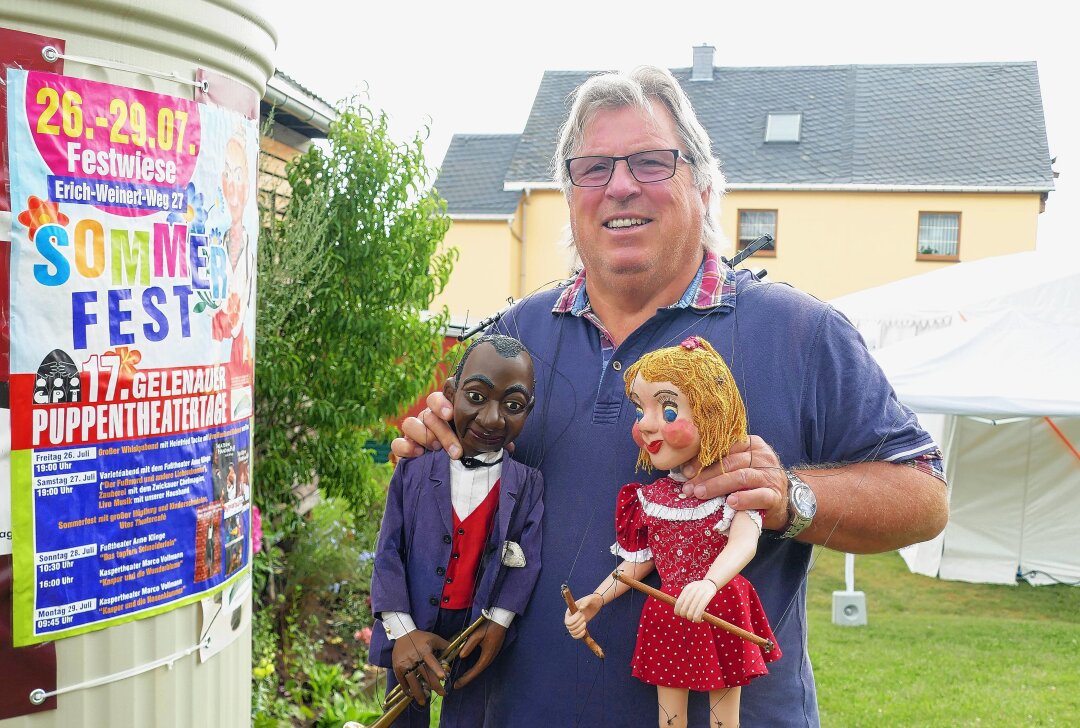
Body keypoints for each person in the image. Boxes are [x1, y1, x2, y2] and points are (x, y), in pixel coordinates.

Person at [393, 66, 948, 726]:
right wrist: (436, 455)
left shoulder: (797, 332)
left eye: (652, 162)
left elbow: (924, 495)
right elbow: (459, 508)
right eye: (593, 168)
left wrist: (790, 496)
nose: (620, 184)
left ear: (704, 186)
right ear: (571, 197)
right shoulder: (515, 336)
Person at [565, 336, 780, 728]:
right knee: (670, 720)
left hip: (722, 605)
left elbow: (744, 542)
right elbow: (640, 561)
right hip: (668, 611)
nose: (645, 424)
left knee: (723, 720)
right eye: (639, 408)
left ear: (711, 412)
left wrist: (710, 583)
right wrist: (597, 599)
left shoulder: (736, 490)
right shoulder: (651, 497)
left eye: (666, 410)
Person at [370, 334, 544, 727]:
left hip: (474, 632)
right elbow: (388, 552)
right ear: (451, 394)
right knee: (401, 709)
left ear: (528, 412)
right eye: (477, 398)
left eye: (513, 406)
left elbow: (525, 560)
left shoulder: (528, 484)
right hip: (411, 624)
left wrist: (498, 622)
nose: (492, 419)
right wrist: (402, 630)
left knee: (470, 716)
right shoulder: (413, 472)